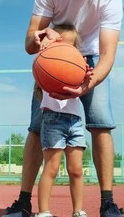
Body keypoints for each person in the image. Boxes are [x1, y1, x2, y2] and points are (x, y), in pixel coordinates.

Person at [3, 0, 124, 216]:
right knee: (37, 127)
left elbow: (108, 56)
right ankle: (24, 202)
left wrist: (89, 81)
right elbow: (29, 43)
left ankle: (107, 203)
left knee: (101, 125)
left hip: (91, 58)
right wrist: (37, 39)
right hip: (55, 58)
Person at [35, 24, 90, 217]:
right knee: (51, 168)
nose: (65, 50)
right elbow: (43, 40)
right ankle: (43, 211)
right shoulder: (46, 61)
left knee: (76, 169)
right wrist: (49, 37)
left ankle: (78, 211)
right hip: (52, 118)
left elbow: (85, 85)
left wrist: (86, 78)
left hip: (75, 120)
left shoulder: (78, 65)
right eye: (61, 44)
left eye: (70, 46)